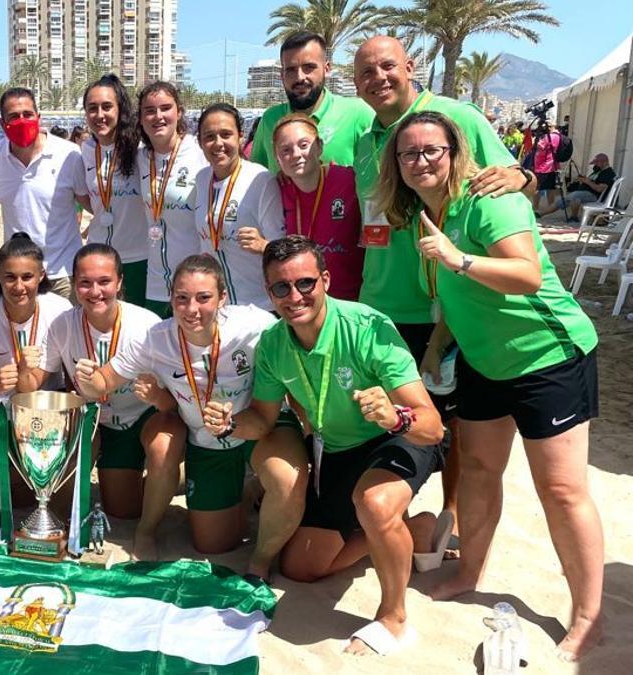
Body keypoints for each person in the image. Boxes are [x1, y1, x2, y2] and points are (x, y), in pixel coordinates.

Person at [376, 111, 603, 660]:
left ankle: (588, 614)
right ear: (396, 165)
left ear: (454, 152)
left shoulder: (488, 199)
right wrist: (435, 347)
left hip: (548, 355)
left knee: (561, 490)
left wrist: (458, 258)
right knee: (478, 469)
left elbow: (526, 274)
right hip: (483, 361)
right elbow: (455, 297)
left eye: (432, 150)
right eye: (408, 153)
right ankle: (469, 571)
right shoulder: (423, 214)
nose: (420, 161)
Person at [353, 36, 533, 529]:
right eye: (366, 72)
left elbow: (516, 180)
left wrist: (521, 177)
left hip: (444, 310)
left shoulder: (458, 117)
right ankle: (395, 516)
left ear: (410, 66)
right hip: (379, 304)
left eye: (387, 66)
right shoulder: (365, 140)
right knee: (391, 419)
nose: (378, 78)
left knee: (451, 425)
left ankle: (449, 516)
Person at [245, 235, 446, 656]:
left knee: (373, 502)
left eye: (305, 283)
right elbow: (262, 419)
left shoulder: (367, 327)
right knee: (300, 567)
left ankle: (394, 617)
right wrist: (226, 423)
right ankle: (410, 530)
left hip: (395, 437)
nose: (294, 296)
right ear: (269, 291)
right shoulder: (273, 343)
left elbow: (432, 428)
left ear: (326, 280)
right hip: (335, 449)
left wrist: (395, 416)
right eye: (281, 287)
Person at [76, 254, 280, 555]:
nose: (192, 309)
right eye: (182, 298)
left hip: (254, 429)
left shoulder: (254, 324)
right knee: (213, 544)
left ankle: (254, 484)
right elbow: (103, 382)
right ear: (171, 299)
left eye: (203, 298)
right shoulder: (156, 339)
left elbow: (296, 343)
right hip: (206, 442)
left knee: (283, 476)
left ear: (223, 298)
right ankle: (242, 493)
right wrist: (88, 377)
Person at [16, 243, 184, 559]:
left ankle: (153, 518)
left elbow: (176, 407)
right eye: (85, 283)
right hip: (94, 422)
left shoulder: (146, 325)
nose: (95, 292)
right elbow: (31, 389)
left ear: (120, 282)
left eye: (104, 281)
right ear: (74, 284)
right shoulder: (63, 324)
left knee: (139, 491)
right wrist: (25, 369)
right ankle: (160, 478)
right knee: (103, 506)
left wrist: (156, 396)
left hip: (139, 419)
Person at [0, 234, 73, 464]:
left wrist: (22, 372)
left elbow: (34, 388)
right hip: (2, 415)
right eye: (10, 277)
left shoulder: (60, 310)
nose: (18, 286)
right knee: (14, 483)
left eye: (27, 277)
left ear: (41, 275)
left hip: (51, 410)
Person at [0, 87, 91, 299]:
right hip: (20, 275)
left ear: (38, 117)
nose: (22, 121)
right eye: (14, 116)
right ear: (2, 123)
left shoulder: (69, 154)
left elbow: (90, 203)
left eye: (28, 114)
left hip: (63, 272)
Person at [194, 103, 284, 309]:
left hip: (259, 306)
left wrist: (264, 245)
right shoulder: (201, 179)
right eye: (209, 137)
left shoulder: (261, 180)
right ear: (200, 142)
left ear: (240, 137)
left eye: (226, 134)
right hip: (217, 307)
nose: (218, 143)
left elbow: (281, 247)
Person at [249, 31, 375, 175]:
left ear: (326, 69)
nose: (300, 77)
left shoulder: (357, 114)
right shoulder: (270, 119)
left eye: (309, 67)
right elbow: (256, 177)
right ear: (282, 75)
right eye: (291, 70)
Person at [274, 113, 364, 300]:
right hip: (303, 300)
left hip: (351, 299)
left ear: (319, 147)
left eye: (303, 145)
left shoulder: (350, 180)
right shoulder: (277, 191)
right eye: (286, 150)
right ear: (277, 158)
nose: (296, 154)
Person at [136, 81, 206, 317]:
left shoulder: (199, 151)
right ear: (141, 118)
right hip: (155, 283)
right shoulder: (140, 158)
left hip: (193, 282)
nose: (158, 116)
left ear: (179, 112)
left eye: (165, 108)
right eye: (149, 111)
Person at [80, 74, 150, 306]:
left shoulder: (142, 150)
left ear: (121, 110)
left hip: (137, 257)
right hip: (98, 256)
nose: (99, 115)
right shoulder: (86, 150)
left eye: (107, 107)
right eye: (92, 108)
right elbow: (87, 198)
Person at [557, 152, 616, 221]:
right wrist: (583, 179)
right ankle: (547, 211)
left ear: (605, 162)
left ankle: (573, 217)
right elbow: (592, 181)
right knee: (570, 197)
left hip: (594, 195)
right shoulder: (598, 171)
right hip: (586, 192)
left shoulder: (608, 173)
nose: (595, 165)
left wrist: (587, 181)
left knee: (574, 196)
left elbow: (599, 189)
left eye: (597, 163)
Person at [530, 124, 565, 214]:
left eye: (549, 126)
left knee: (537, 187)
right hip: (552, 165)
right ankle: (550, 206)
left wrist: (535, 141)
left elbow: (540, 146)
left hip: (543, 166)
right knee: (550, 188)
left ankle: (535, 206)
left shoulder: (550, 136)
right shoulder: (559, 137)